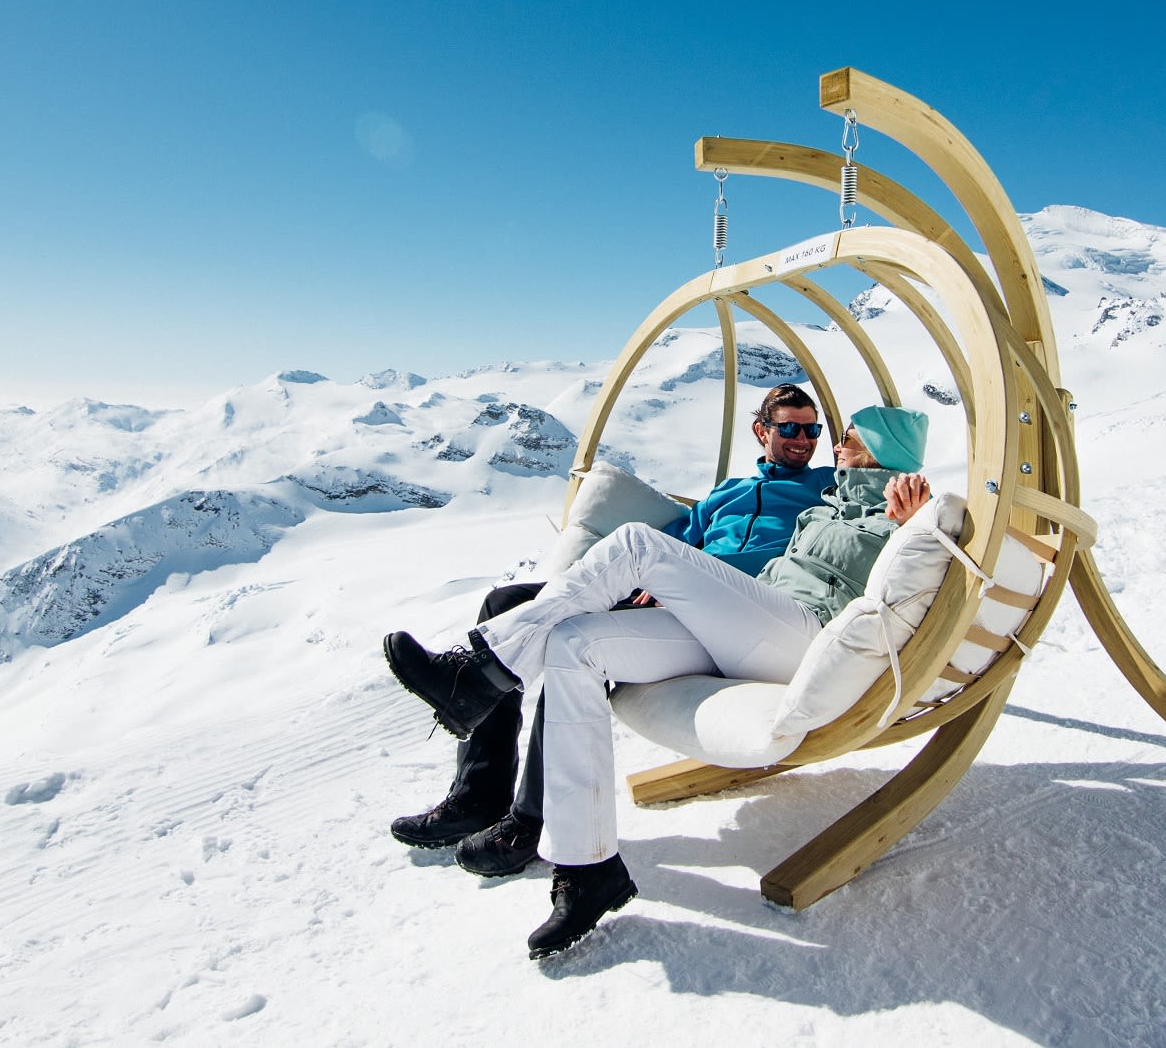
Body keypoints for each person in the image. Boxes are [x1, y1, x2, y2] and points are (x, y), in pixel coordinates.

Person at [385, 404, 932, 958]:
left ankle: (478, 675)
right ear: (762, 432)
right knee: (576, 645)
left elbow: (927, 551)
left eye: (841, 437)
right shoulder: (818, 499)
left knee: (636, 544)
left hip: (803, 635)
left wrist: (913, 519)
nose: (826, 444)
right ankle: (588, 867)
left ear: (885, 452)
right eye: (801, 430)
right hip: (733, 625)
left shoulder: (898, 506)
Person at [386, 384, 839, 875]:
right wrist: (656, 575)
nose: (803, 440)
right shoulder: (726, 494)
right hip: (662, 592)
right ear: (762, 431)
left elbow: (804, 559)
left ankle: (530, 817)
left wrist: (685, 581)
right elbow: (678, 540)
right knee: (504, 601)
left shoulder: (823, 490)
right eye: (790, 427)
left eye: (812, 430)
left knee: (573, 635)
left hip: (730, 609)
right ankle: (478, 793)